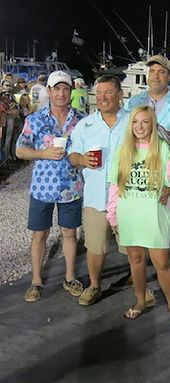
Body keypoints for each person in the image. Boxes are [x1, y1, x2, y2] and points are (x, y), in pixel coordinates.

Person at [68, 75, 151, 306]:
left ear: (120, 94)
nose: (103, 97)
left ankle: (140, 287)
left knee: (134, 247)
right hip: (95, 197)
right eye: (99, 92)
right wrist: (82, 159)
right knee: (95, 247)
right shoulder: (85, 125)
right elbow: (72, 156)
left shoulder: (132, 122)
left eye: (109, 92)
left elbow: (149, 148)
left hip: (128, 197)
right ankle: (94, 286)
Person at [124, 55, 170, 301]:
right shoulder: (132, 103)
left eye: (161, 71)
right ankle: (143, 284)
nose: (156, 75)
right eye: (152, 71)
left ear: (168, 75)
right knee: (143, 234)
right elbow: (126, 142)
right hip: (140, 182)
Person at [106, 106, 170, 325]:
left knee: (161, 263)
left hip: (154, 215)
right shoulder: (123, 150)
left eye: (145, 122)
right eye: (135, 122)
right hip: (129, 215)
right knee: (135, 259)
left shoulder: (162, 148)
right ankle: (140, 301)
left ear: (153, 125)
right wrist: (112, 215)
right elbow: (115, 185)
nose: (139, 127)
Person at [15, 70, 85, 302]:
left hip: (72, 186)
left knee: (69, 233)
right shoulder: (34, 120)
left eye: (66, 88)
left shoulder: (82, 119)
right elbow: (19, 150)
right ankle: (36, 281)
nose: (62, 93)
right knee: (39, 234)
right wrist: (42, 153)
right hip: (42, 188)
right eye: (57, 88)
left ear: (71, 91)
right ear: (50, 91)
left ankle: (70, 277)